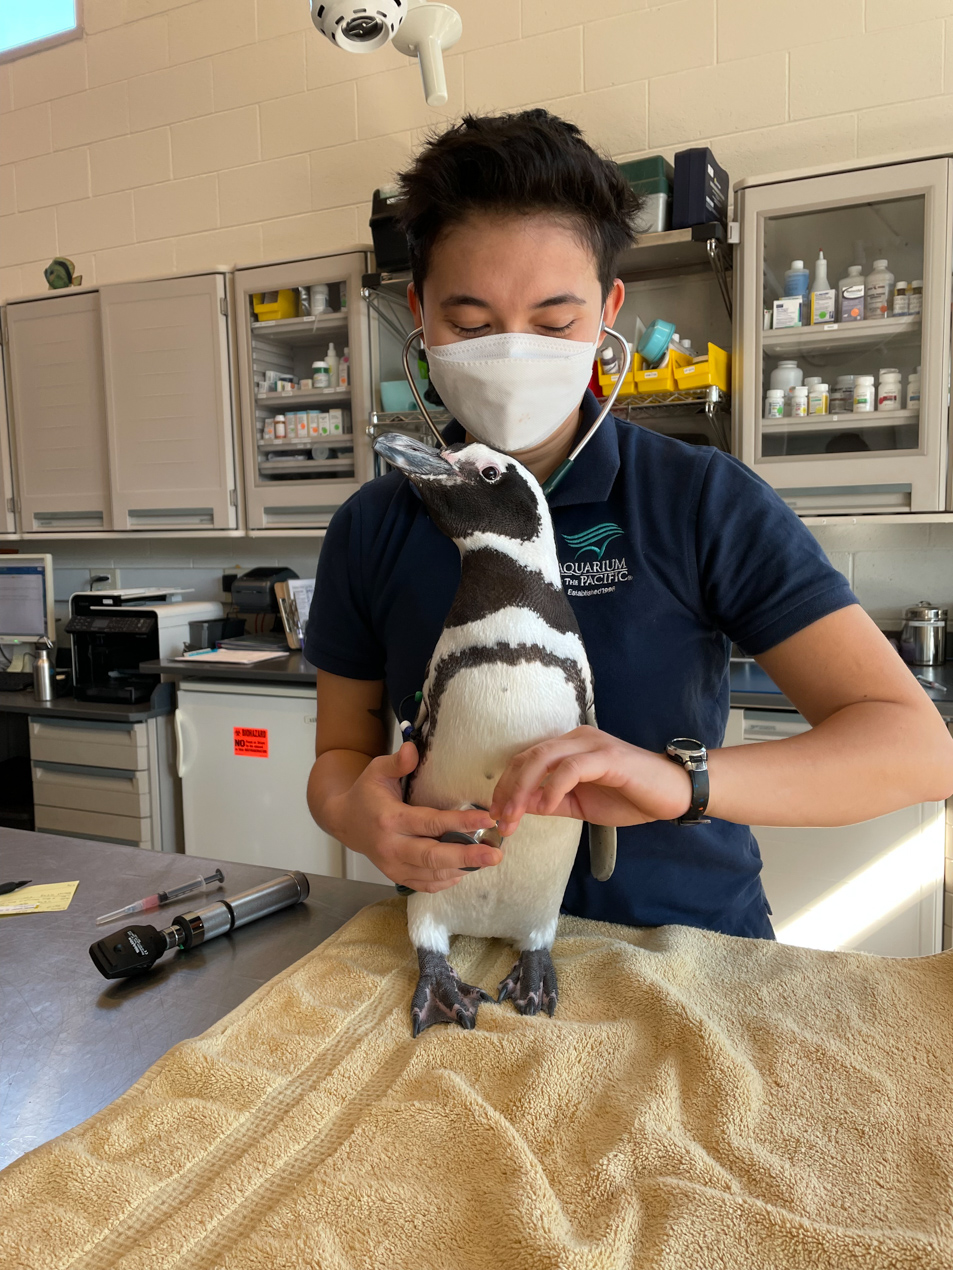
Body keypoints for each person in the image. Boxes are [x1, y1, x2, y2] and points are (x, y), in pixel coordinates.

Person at [305, 109, 953, 938]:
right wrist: (357, 817)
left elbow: (914, 747)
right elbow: (339, 760)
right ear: (418, 313)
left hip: (682, 947)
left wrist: (678, 780)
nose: (509, 354)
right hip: (461, 943)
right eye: (469, 325)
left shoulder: (697, 500)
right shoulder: (373, 524)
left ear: (608, 309)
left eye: (553, 323)